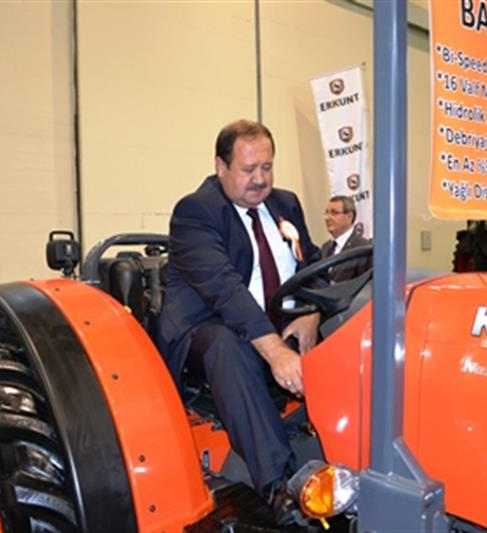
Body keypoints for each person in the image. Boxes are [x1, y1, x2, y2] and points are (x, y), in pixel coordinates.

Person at [158, 120, 322, 526]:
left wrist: (312, 314)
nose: (260, 179)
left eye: (267, 167)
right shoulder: (196, 211)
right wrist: (277, 353)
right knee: (228, 347)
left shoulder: (286, 203)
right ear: (221, 167)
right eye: (248, 169)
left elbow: (314, 266)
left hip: (280, 323)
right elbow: (225, 291)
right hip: (206, 327)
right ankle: (279, 485)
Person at [321, 195, 371, 282]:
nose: (327, 218)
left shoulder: (364, 249)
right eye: (326, 213)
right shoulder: (325, 248)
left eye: (334, 213)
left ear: (349, 217)